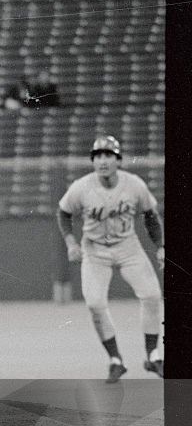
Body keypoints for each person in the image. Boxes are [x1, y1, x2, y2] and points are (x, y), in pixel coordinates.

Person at [57, 135, 164, 383]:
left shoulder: (134, 184)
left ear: (118, 161)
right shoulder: (81, 187)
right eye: (98, 156)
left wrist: (160, 246)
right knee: (95, 304)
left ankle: (153, 356)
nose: (103, 161)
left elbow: (150, 215)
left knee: (151, 295)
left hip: (128, 247)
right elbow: (63, 213)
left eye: (108, 156)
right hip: (95, 251)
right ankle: (116, 361)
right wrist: (71, 242)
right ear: (93, 161)